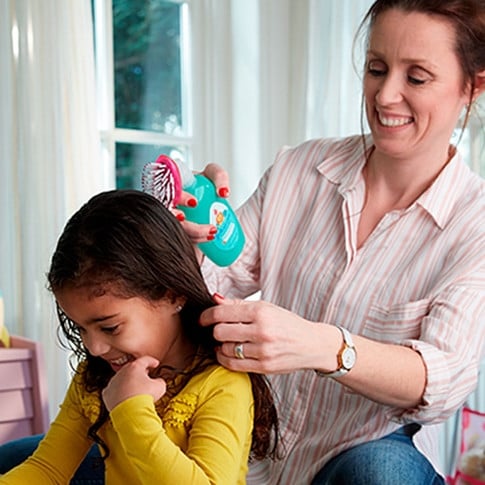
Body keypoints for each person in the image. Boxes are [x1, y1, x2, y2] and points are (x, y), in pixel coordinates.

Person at [179, 0, 485, 483]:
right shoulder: (298, 169)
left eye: (417, 77)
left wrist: (326, 348)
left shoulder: (475, 227)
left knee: (381, 473)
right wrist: (191, 237)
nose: (386, 96)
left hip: (361, 453)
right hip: (242, 438)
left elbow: (442, 378)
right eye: (376, 68)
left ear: (473, 86)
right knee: (23, 456)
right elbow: (216, 281)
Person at [0, 190, 279, 484]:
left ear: (173, 295)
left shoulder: (221, 383)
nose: (93, 348)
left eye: (110, 328)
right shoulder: (95, 377)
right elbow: (47, 470)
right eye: (81, 328)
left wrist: (130, 409)